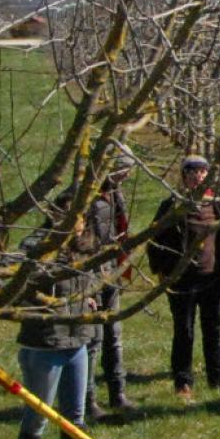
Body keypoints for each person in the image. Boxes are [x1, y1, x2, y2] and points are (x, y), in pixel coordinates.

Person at [9, 191, 110, 439]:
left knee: (75, 415)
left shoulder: (85, 247)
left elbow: (96, 281)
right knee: (38, 416)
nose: (76, 224)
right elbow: (13, 287)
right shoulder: (35, 248)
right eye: (69, 217)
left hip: (78, 341)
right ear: (54, 216)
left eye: (80, 217)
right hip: (44, 344)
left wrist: (91, 298)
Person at [148, 155, 220, 399]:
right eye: (192, 172)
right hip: (182, 281)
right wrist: (163, 272)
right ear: (184, 176)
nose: (198, 176)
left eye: (202, 172)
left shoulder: (216, 204)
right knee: (184, 331)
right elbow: (155, 240)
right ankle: (182, 380)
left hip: (211, 279)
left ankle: (219, 377)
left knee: (213, 329)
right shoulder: (172, 206)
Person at [87, 151, 138, 414]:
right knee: (93, 339)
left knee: (113, 335)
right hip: (92, 276)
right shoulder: (85, 198)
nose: (127, 175)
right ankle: (88, 399)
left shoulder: (115, 194)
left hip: (111, 270)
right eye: (123, 170)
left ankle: (117, 392)